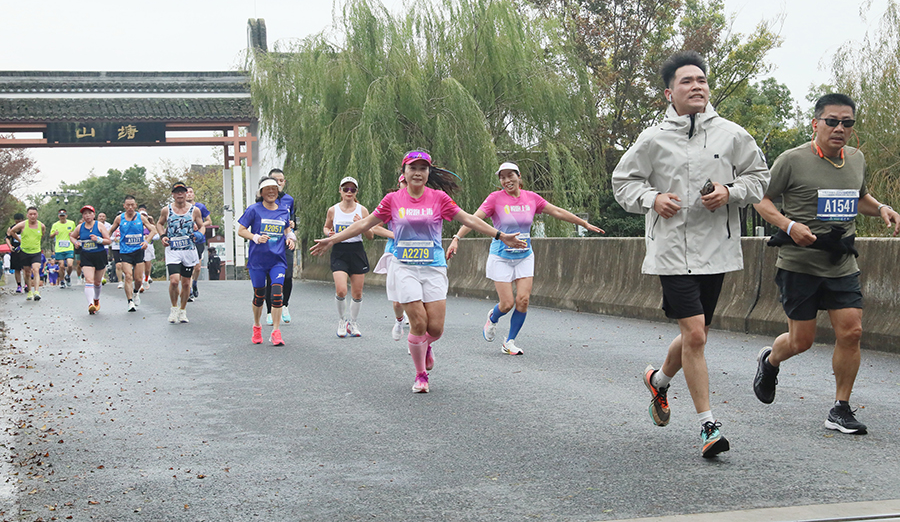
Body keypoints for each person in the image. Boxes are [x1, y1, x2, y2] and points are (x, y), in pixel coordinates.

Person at [611, 51, 770, 458]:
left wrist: (730, 192)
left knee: (692, 336)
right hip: (670, 252)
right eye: (687, 81)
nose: (697, 86)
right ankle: (708, 426)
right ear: (669, 92)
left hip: (716, 251)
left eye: (702, 79)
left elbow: (759, 178)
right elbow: (623, 182)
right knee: (696, 335)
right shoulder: (652, 138)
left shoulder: (732, 134)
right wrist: (652, 197)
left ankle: (659, 381)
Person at [311, 150, 527, 393]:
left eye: (423, 168)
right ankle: (420, 375)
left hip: (433, 267)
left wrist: (500, 235)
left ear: (428, 173)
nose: (417, 172)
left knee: (435, 329)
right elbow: (364, 223)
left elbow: (468, 219)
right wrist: (333, 239)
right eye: (412, 168)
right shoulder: (392, 199)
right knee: (418, 322)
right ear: (404, 172)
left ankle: (425, 345)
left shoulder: (439, 198)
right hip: (404, 267)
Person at [751, 93, 900, 435]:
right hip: (799, 263)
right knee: (801, 341)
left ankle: (840, 408)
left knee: (852, 331)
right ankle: (770, 360)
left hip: (841, 262)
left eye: (847, 123)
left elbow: (857, 196)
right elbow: (761, 199)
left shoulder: (856, 159)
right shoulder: (792, 160)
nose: (839, 128)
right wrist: (789, 225)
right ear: (815, 123)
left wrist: (880, 208)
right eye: (832, 121)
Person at [448, 162, 604, 355]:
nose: (507, 180)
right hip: (501, 257)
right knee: (507, 304)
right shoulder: (495, 199)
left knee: (523, 300)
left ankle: (509, 341)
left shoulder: (531, 198)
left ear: (519, 176)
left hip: (524, 256)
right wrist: (457, 238)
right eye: (502, 177)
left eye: (510, 175)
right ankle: (493, 317)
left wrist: (583, 223)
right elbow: (473, 219)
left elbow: (557, 211)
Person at [238, 176, 296, 346]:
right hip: (257, 261)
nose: (271, 192)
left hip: (277, 260)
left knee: (277, 294)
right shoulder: (253, 210)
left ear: (278, 192)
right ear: (261, 193)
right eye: (267, 190)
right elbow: (241, 230)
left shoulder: (284, 210)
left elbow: (287, 229)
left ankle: (276, 332)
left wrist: (290, 238)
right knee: (259, 295)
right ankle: (257, 326)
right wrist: (255, 237)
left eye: (274, 189)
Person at [323, 176, 377, 338]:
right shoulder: (333, 210)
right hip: (339, 250)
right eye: (345, 189)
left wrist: (362, 224)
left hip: (356, 251)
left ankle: (352, 323)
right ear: (340, 191)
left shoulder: (362, 210)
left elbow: (370, 236)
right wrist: (329, 233)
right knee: (341, 290)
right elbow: (326, 226)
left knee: (357, 293)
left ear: (356, 192)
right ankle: (341, 321)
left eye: (352, 189)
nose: (349, 192)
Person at [157, 182, 206, 323]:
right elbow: (159, 224)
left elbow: (202, 226)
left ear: (186, 194)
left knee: (185, 284)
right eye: (177, 192)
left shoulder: (194, 210)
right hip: (173, 250)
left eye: (182, 192)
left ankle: (183, 310)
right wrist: (162, 236)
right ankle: (174, 308)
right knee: (174, 281)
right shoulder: (166, 210)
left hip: (188, 250)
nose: (179, 194)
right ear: (173, 194)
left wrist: (200, 235)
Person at [372, 175, 409, 341]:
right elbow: (374, 227)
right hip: (394, 253)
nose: (408, 185)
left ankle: (416, 338)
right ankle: (399, 320)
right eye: (405, 182)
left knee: (416, 297)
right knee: (397, 303)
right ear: (400, 184)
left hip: (417, 257)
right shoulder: (392, 203)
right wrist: (395, 235)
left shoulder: (424, 204)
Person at [109, 196, 157, 312]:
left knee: (138, 279)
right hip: (125, 251)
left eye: (132, 205)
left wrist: (146, 241)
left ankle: (136, 293)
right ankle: (130, 301)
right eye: (128, 205)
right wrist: (106, 239)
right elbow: (109, 231)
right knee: (128, 276)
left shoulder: (141, 217)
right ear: (124, 206)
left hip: (138, 251)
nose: (130, 207)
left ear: (135, 205)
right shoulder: (119, 219)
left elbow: (153, 230)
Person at [264, 169, 296, 325]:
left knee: (288, 275)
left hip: (286, 242)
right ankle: (270, 310)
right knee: (271, 278)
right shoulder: (262, 200)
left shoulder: (289, 200)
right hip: (269, 244)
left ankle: (284, 305)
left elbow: (293, 219)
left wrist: (293, 225)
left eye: (281, 180)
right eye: (275, 180)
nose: (278, 183)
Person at [69, 205, 111, 314]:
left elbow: (108, 241)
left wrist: (99, 240)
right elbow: (72, 236)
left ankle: (96, 299)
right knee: (89, 280)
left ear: (94, 214)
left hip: (99, 255)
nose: (87, 216)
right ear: (82, 216)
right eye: (85, 214)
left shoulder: (99, 225)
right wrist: (76, 243)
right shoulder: (80, 227)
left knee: (97, 282)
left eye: (89, 213)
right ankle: (90, 304)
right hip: (86, 255)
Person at [9, 207, 46, 301]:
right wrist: (19, 240)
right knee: (27, 272)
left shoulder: (41, 226)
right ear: (27, 215)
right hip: (25, 252)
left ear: (37, 214)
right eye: (31, 214)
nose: (33, 216)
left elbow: (42, 235)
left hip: (36, 251)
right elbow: (11, 231)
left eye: (34, 214)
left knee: (36, 270)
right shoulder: (22, 225)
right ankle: (29, 291)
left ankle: (36, 292)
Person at [185, 187, 212, 300]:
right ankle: (189, 290)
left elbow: (209, 221)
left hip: (199, 239)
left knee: (197, 267)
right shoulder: (181, 209)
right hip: (187, 239)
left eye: (191, 192)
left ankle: (194, 283)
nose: (189, 194)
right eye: (187, 192)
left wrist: (200, 226)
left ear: (194, 195)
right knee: (189, 266)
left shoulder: (200, 207)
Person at [50, 208, 76, 288]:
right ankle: (61, 281)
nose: (62, 217)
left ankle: (68, 276)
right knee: (61, 266)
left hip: (69, 248)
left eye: (63, 216)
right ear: (58, 216)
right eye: (61, 216)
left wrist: (73, 234)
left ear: (66, 216)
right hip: (59, 248)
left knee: (70, 265)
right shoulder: (55, 225)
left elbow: (76, 234)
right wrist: (54, 233)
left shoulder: (71, 223)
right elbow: (50, 236)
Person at [6, 212, 25, 294]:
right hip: (15, 250)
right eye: (17, 222)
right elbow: (7, 238)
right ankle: (19, 285)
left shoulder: (26, 227)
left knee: (26, 268)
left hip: (25, 249)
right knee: (17, 268)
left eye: (20, 221)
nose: (18, 223)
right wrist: (10, 246)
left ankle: (27, 284)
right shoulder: (11, 228)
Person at [138, 205, 157, 286]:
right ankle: (142, 277)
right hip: (139, 246)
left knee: (148, 263)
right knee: (141, 262)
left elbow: (157, 236)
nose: (143, 217)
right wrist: (143, 237)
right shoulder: (137, 225)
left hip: (149, 246)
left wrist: (149, 237)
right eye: (141, 215)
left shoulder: (151, 226)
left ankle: (147, 276)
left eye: (144, 215)